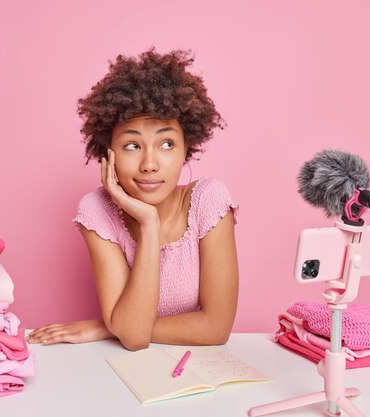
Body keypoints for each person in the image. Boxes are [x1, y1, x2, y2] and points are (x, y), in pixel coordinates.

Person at [27, 49, 239, 350]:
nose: (149, 164)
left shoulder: (209, 201)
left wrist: (108, 327)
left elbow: (215, 329)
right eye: (131, 145)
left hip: (199, 368)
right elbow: (135, 340)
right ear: (108, 152)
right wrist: (149, 223)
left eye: (166, 144)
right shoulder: (97, 210)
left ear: (185, 150)